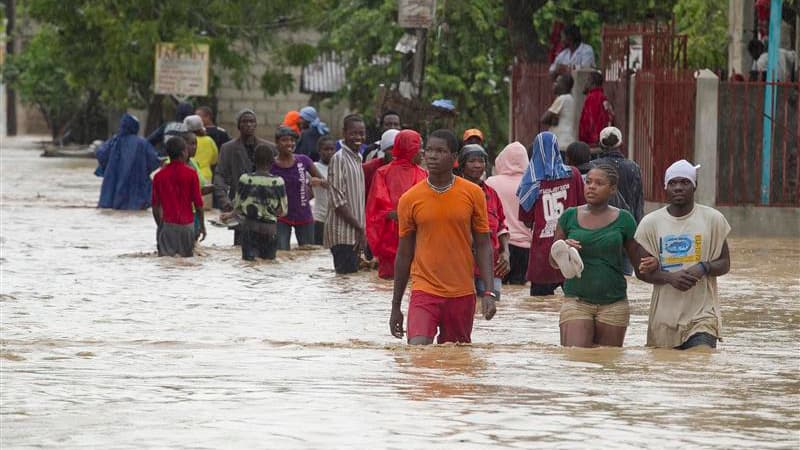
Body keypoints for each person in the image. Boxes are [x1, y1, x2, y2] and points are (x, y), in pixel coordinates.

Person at [389, 129, 496, 345]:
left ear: (454, 158)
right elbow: (404, 253)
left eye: (440, 151)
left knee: (455, 360)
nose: (432, 156)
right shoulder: (410, 199)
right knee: (418, 351)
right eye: (428, 150)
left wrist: (489, 292)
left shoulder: (473, 193)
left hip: (462, 292)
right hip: (424, 290)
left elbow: (484, 245)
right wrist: (395, 306)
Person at [635, 160, 731, 350]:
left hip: (702, 315)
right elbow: (642, 272)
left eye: (685, 182)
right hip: (664, 319)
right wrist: (670, 277)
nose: (678, 187)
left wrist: (704, 267)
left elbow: (725, 263)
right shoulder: (650, 224)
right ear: (666, 187)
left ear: (695, 186)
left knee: (698, 365)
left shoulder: (713, 219)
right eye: (673, 183)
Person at [550, 164, 640, 347]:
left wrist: (653, 265)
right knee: (576, 358)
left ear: (613, 189)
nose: (591, 187)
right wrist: (564, 249)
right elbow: (552, 262)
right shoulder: (569, 216)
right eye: (588, 182)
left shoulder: (625, 219)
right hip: (577, 300)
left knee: (607, 364)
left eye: (599, 183)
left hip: (614, 302)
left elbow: (638, 262)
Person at [517, 131, 585, 296]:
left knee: (539, 307)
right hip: (571, 247)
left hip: (542, 253)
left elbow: (526, 220)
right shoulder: (573, 174)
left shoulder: (530, 181)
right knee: (575, 302)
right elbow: (583, 207)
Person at [365, 129, 427, 279]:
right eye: (418, 147)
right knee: (388, 285)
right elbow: (376, 207)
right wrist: (396, 214)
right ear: (409, 149)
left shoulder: (424, 174)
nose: (422, 152)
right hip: (389, 242)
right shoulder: (383, 173)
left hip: (417, 240)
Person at [214, 109, 274, 245]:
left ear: (256, 125)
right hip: (239, 206)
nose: (248, 125)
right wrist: (224, 200)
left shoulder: (269, 148)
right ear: (238, 126)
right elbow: (220, 175)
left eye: (252, 121)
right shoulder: (227, 148)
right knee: (241, 248)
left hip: (266, 207)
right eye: (245, 121)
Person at [458, 144, 510, 299]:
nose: (477, 165)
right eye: (472, 161)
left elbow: (501, 225)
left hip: (491, 265)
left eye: (481, 161)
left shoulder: (492, 194)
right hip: (461, 266)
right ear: (462, 165)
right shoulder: (455, 191)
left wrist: (506, 252)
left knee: (492, 311)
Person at [221, 144, 288, 261]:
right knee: (268, 266)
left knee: (249, 266)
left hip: (250, 228)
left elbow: (238, 205)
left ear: (253, 160)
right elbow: (283, 211)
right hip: (270, 230)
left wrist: (229, 215)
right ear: (273, 161)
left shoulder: (245, 179)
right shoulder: (278, 181)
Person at [270, 126, 327, 250]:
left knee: (308, 254)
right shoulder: (271, 165)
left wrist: (318, 182)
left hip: (304, 215)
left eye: (292, 140)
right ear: (277, 143)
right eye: (285, 140)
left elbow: (326, 183)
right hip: (281, 217)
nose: (289, 143)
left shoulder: (303, 161)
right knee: (281, 253)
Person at [324, 114, 367, 274]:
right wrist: (359, 227)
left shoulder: (358, 158)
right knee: (344, 283)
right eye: (353, 133)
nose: (358, 137)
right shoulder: (338, 159)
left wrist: (361, 229)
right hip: (343, 234)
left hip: (355, 234)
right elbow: (337, 201)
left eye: (361, 133)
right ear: (344, 133)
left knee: (349, 285)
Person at [485, 142, 532, 285]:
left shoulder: (491, 183)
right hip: (526, 249)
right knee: (519, 293)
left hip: (501, 246)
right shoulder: (531, 184)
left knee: (500, 293)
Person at [151, 137, 205, 257]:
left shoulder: (159, 176)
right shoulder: (191, 174)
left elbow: (155, 207)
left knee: (166, 264)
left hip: (167, 225)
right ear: (183, 153)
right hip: (187, 227)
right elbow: (198, 205)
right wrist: (202, 226)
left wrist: (161, 226)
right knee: (186, 264)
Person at [96, 113, 162, 210]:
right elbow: (154, 161)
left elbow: (101, 154)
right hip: (137, 188)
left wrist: (109, 168)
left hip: (112, 189)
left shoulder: (114, 141)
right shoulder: (142, 143)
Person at [591, 126, 643, 223]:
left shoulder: (593, 166)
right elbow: (638, 202)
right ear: (621, 144)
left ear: (601, 145)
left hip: (601, 224)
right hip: (628, 223)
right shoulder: (633, 167)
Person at [182, 131, 216, 240]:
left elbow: (198, 191)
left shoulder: (193, 163)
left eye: (196, 143)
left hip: (194, 212)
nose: (195, 147)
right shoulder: (171, 163)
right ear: (182, 145)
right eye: (191, 143)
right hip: (180, 215)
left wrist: (216, 187)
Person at [578, 71, 614, 151]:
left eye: (587, 81)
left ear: (592, 82)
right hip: (601, 142)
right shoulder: (602, 97)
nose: (585, 84)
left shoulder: (593, 97)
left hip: (593, 144)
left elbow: (589, 121)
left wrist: (586, 142)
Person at [541, 74, 577, 154]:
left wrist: (551, 120)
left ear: (564, 85)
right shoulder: (570, 99)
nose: (554, 84)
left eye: (557, 82)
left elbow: (544, 118)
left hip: (560, 142)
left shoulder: (562, 98)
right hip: (569, 141)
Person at [312, 136, 336, 245]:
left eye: (332, 149)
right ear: (319, 151)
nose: (329, 152)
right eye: (326, 149)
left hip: (337, 218)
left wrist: (321, 182)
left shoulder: (339, 168)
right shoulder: (314, 167)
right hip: (319, 217)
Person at [363, 129, 399, 202]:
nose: (395, 152)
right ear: (384, 150)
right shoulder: (368, 168)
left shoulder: (404, 169)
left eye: (398, 148)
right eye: (391, 148)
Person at [183, 115, 219, 184]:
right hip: (206, 177)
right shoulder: (209, 140)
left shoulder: (183, 141)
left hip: (187, 176)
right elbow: (214, 160)